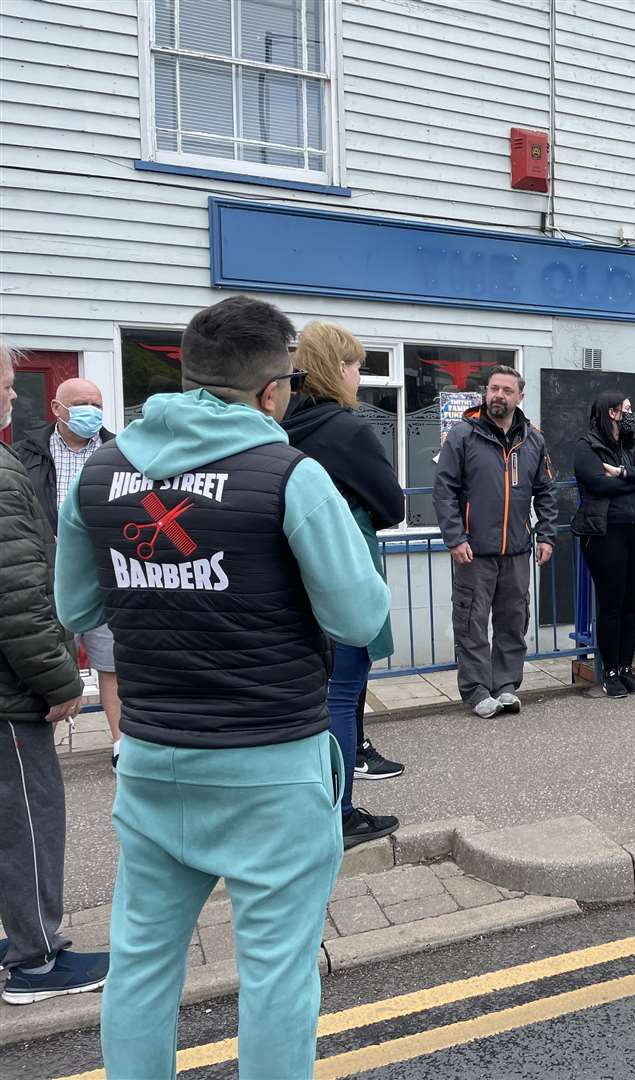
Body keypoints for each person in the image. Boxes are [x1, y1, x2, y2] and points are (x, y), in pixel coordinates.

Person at [53, 296, 389, 1076]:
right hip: (271, 763)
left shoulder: (102, 471)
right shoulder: (289, 473)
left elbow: (76, 608)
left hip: (155, 757)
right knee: (275, 974)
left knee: (140, 964)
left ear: (187, 373)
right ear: (275, 390)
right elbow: (357, 613)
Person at [0, 346, 104, 1005]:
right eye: (7, 387)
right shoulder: (7, 472)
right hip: (10, 698)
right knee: (31, 818)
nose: (13, 399)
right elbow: (14, 594)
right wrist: (62, 680)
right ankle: (36, 960)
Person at [282, 321, 408, 848]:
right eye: (356, 365)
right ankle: (340, 812)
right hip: (342, 574)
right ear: (337, 369)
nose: (361, 375)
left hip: (290, 583)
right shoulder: (346, 429)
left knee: (310, 697)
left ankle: (311, 808)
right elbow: (392, 506)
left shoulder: (281, 425)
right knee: (343, 691)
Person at [433, 365, 558, 718]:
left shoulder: (533, 440)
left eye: (506, 390)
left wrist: (546, 534)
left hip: (517, 550)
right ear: (485, 393)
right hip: (473, 551)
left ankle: (505, 686)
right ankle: (476, 690)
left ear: (520, 396)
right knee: (471, 623)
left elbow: (546, 491)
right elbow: (444, 492)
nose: (498, 395)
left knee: (513, 622)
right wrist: (455, 538)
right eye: (493, 389)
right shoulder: (462, 435)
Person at [14, 377, 124, 768]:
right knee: (48, 663)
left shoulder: (119, 452)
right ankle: (41, 752)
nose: (90, 411)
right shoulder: (24, 453)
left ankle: (119, 746)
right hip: (43, 576)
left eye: (96, 403)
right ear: (57, 410)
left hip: (101, 572)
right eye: (80, 404)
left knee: (111, 663)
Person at [572, 391, 635, 697]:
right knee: (611, 604)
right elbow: (596, 483)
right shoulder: (587, 445)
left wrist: (623, 473)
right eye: (627, 408)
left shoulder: (633, 441)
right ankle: (610, 671)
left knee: (632, 603)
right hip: (606, 532)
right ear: (612, 413)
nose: (631, 413)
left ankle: (626, 668)